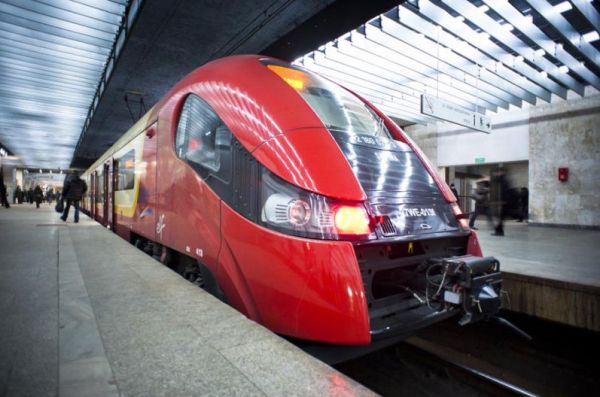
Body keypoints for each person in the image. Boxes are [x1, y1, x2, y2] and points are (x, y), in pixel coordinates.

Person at [489, 167, 509, 236]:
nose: (495, 174)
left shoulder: (501, 181)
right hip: (500, 202)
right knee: (499, 218)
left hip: (500, 202)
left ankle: (499, 231)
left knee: (499, 218)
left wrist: (501, 201)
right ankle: (499, 231)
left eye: (496, 172)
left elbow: (502, 192)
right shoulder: (500, 180)